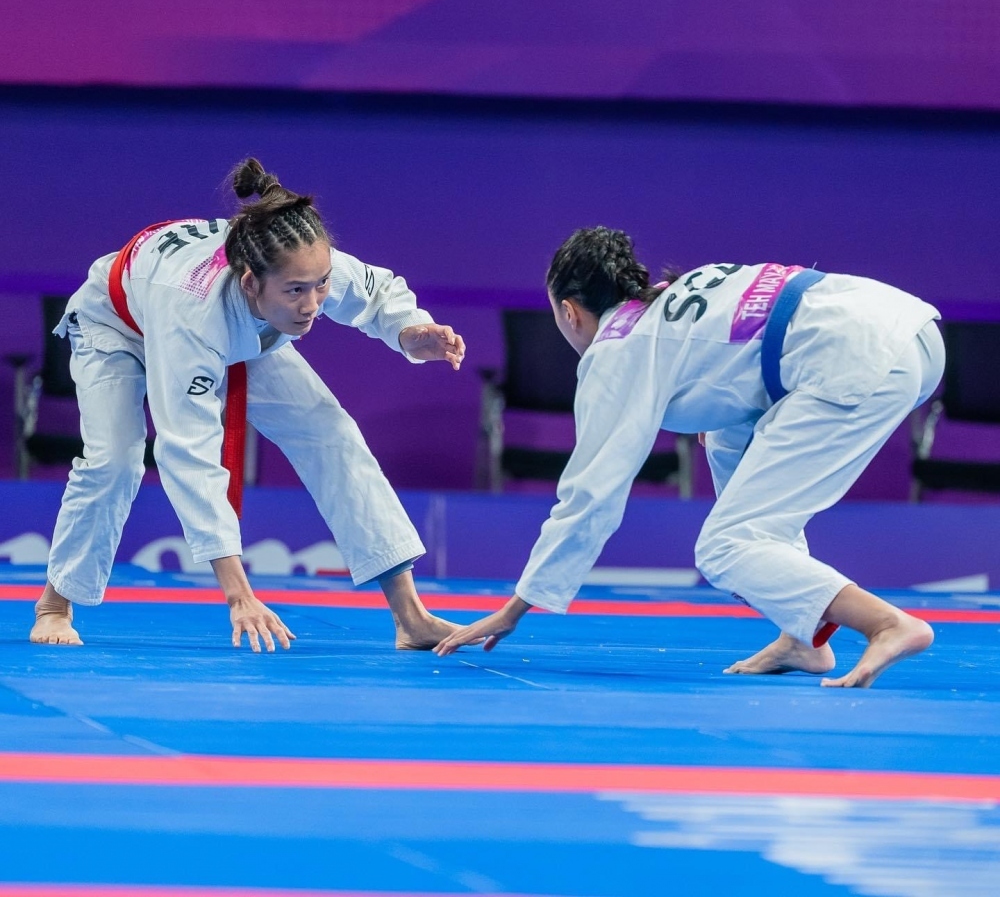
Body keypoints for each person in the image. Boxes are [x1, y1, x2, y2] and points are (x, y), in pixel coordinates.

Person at [435, 227, 944, 688]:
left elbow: (590, 495)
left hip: (860, 357)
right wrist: (715, 412)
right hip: (907, 330)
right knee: (724, 439)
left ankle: (886, 624)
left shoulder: (616, 348)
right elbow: (740, 358)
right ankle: (801, 635)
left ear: (569, 312)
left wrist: (514, 609)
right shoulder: (675, 296)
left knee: (725, 546)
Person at [31, 158, 466, 652]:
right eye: (296, 291)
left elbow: (377, 291)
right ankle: (54, 603)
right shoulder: (194, 316)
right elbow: (189, 454)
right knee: (115, 461)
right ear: (250, 283)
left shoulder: (300, 257)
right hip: (117, 326)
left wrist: (409, 331)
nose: (312, 304)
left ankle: (411, 617)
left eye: (321, 285)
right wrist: (240, 596)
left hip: (242, 326)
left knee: (330, 431)